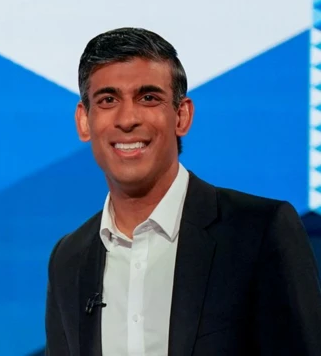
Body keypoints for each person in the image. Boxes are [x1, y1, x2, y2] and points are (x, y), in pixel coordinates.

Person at [45, 27, 321, 355]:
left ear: (181, 116)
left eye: (148, 98)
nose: (128, 118)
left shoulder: (259, 231)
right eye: (108, 100)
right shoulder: (69, 257)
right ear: (84, 121)